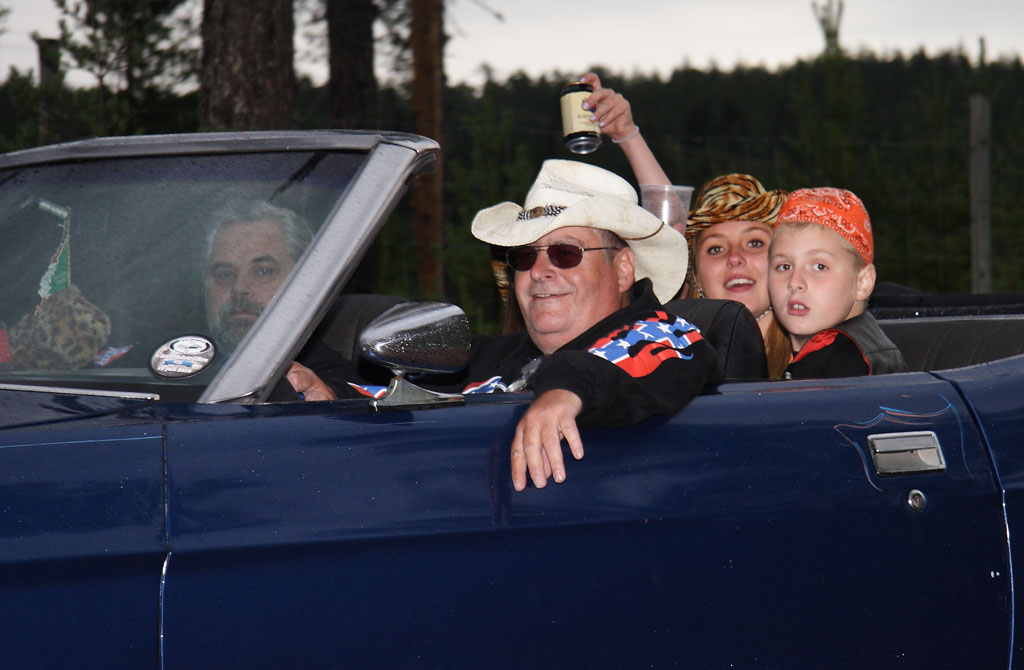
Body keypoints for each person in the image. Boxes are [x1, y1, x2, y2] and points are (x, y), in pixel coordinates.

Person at [461, 159, 719, 491]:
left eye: (565, 253)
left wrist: (564, 391)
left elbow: (666, 346)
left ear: (623, 270)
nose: (538, 271)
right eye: (525, 256)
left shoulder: (662, 337)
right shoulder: (486, 357)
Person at [579, 73, 790, 378]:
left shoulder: (822, 352)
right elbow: (667, 239)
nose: (735, 258)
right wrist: (626, 133)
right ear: (695, 274)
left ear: (783, 262)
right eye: (715, 248)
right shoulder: (671, 360)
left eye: (755, 243)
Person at [202, 199, 340, 401]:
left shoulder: (327, 380)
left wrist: (328, 398)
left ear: (305, 283)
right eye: (225, 274)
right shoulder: (170, 365)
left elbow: (351, 396)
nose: (239, 288)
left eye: (264, 271)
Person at [767, 187, 906, 379]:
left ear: (863, 282)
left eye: (820, 266)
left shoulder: (829, 368)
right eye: (784, 266)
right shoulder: (871, 345)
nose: (795, 282)